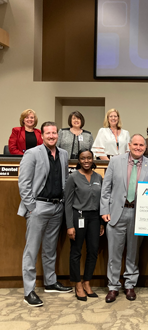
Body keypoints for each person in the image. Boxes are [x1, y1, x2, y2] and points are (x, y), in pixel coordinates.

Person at [18, 121, 72, 307]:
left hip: (57, 207)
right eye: (48, 133)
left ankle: (50, 282)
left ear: (58, 135)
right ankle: (28, 291)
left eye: (54, 133)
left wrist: (64, 203)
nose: (51, 136)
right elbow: (23, 183)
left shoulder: (64, 154)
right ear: (42, 135)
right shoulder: (32, 153)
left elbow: (65, 179)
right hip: (38, 207)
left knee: (50, 249)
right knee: (31, 250)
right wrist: (31, 207)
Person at [100, 134, 148, 303]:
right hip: (116, 212)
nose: (138, 147)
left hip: (138, 214)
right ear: (129, 145)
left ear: (145, 148)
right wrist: (104, 210)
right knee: (114, 253)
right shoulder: (115, 161)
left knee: (133, 252)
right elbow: (106, 188)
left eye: (141, 145)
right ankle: (113, 286)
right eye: (135, 144)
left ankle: (130, 284)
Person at [64, 149, 104, 301]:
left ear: (93, 159)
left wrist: (101, 222)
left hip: (94, 218)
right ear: (79, 160)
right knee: (76, 251)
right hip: (78, 217)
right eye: (83, 158)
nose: (86, 161)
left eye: (89, 158)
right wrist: (69, 225)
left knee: (93, 250)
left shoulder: (98, 177)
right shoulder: (73, 177)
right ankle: (77, 284)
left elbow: (102, 201)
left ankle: (87, 282)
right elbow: (67, 203)